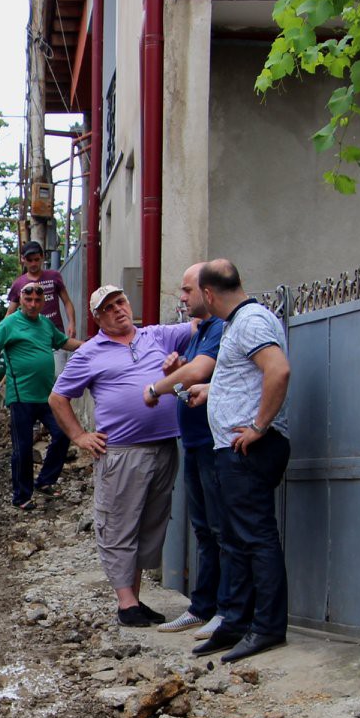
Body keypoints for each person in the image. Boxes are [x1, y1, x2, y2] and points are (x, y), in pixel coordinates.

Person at [49, 285, 195, 626]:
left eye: (121, 302)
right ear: (98, 318)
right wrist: (80, 436)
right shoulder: (90, 352)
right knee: (118, 524)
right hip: (122, 452)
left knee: (150, 523)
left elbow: (201, 326)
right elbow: (58, 397)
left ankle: (135, 599)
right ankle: (125, 603)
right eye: (109, 308)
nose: (118, 310)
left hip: (163, 447)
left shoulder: (157, 336)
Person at [181, 259, 292, 663]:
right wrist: (213, 390)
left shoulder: (250, 321)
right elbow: (247, 375)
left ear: (209, 294)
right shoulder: (239, 323)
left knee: (256, 538)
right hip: (231, 450)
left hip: (249, 449)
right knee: (238, 541)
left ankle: (266, 628)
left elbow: (277, 371)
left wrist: (258, 426)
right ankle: (236, 623)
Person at [143, 263, 234, 638]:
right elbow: (193, 378)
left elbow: (200, 374)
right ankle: (202, 607)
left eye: (186, 290)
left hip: (216, 444)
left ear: (207, 291)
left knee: (222, 530)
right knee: (204, 529)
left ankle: (227, 612)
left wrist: (157, 387)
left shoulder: (220, 329)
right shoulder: (200, 331)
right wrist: (179, 368)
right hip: (196, 442)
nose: (180, 298)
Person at [0, 282, 84, 509]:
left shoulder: (46, 324)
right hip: (22, 397)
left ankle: (46, 480)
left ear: (43, 302)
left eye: (37, 301)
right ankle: (22, 496)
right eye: (28, 300)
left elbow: (64, 342)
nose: (32, 304)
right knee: (23, 447)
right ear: (21, 299)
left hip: (47, 396)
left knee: (62, 434)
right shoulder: (9, 324)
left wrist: (90, 346)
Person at [7, 241, 78, 337]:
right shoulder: (19, 284)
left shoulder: (54, 276)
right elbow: (10, 313)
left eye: (36, 260)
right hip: (31, 337)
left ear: (42, 257)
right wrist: (3, 336)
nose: (33, 264)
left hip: (55, 334)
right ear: (23, 259)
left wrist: (72, 324)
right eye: (30, 260)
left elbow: (67, 302)